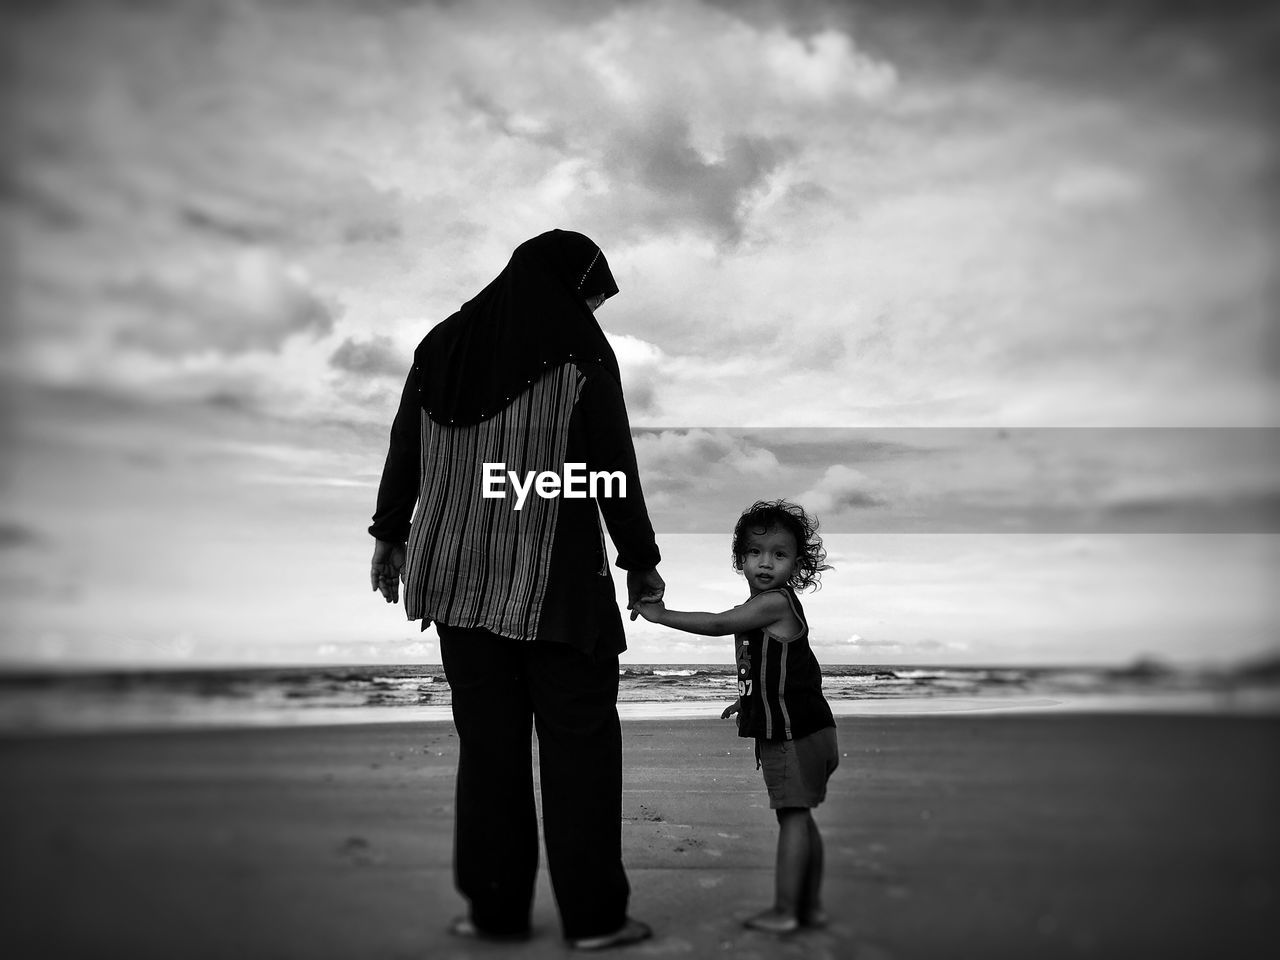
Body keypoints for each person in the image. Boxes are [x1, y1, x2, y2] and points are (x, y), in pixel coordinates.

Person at [368, 229, 663, 950]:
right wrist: (640, 558)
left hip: (456, 579)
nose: (592, 307)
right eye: (592, 292)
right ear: (573, 281)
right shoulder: (582, 349)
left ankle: (494, 913)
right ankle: (595, 920)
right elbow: (611, 463)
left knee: (490, 753)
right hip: (555, 582)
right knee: (580, 750)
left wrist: (389, 535)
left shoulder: (440, 346)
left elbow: (404, 445)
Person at [634, 499, 837, 934]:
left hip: (793, 734)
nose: (766, 563)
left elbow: (716, 623)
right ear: (740, 559)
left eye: (779, 555)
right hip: (809, 728)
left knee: (794, 817)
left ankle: (786, 911)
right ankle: (810, 907)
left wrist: (660, 615)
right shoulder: (768, 606)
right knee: (800, 816)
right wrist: (749, 701)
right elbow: (782, 669)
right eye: (755, 553)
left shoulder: (773, 603)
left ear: (796, 563)